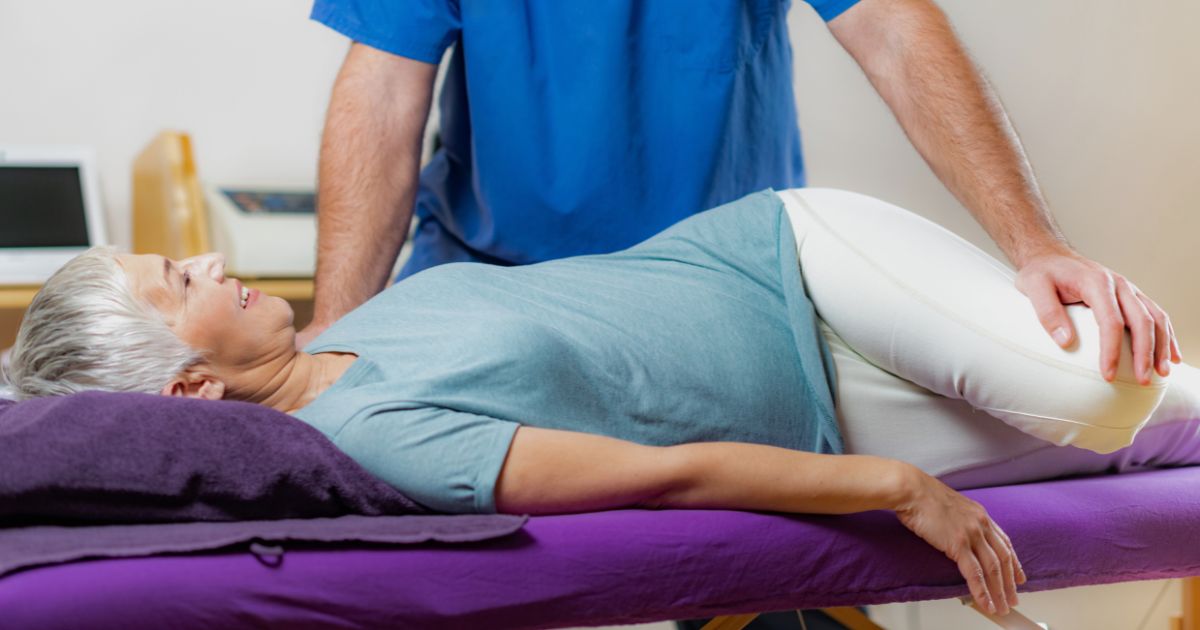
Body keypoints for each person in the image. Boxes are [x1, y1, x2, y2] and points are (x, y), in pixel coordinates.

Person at [7, 188, 1194, 617]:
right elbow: (668, 475)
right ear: (191, 387)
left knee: (1091, 400)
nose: (213, 265)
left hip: (791, 261)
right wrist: (899, 488)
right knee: (1147, 435)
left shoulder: (345, 339)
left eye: (189, 257)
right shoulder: (382, 441)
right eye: (181, 283)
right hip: (836, 416)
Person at [299, 0, 1180, 402]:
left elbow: (895, 29)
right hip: (485, 280)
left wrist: (1034, 244)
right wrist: (337, 332)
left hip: (710, 292)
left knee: (795, 563)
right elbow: (381, 99)